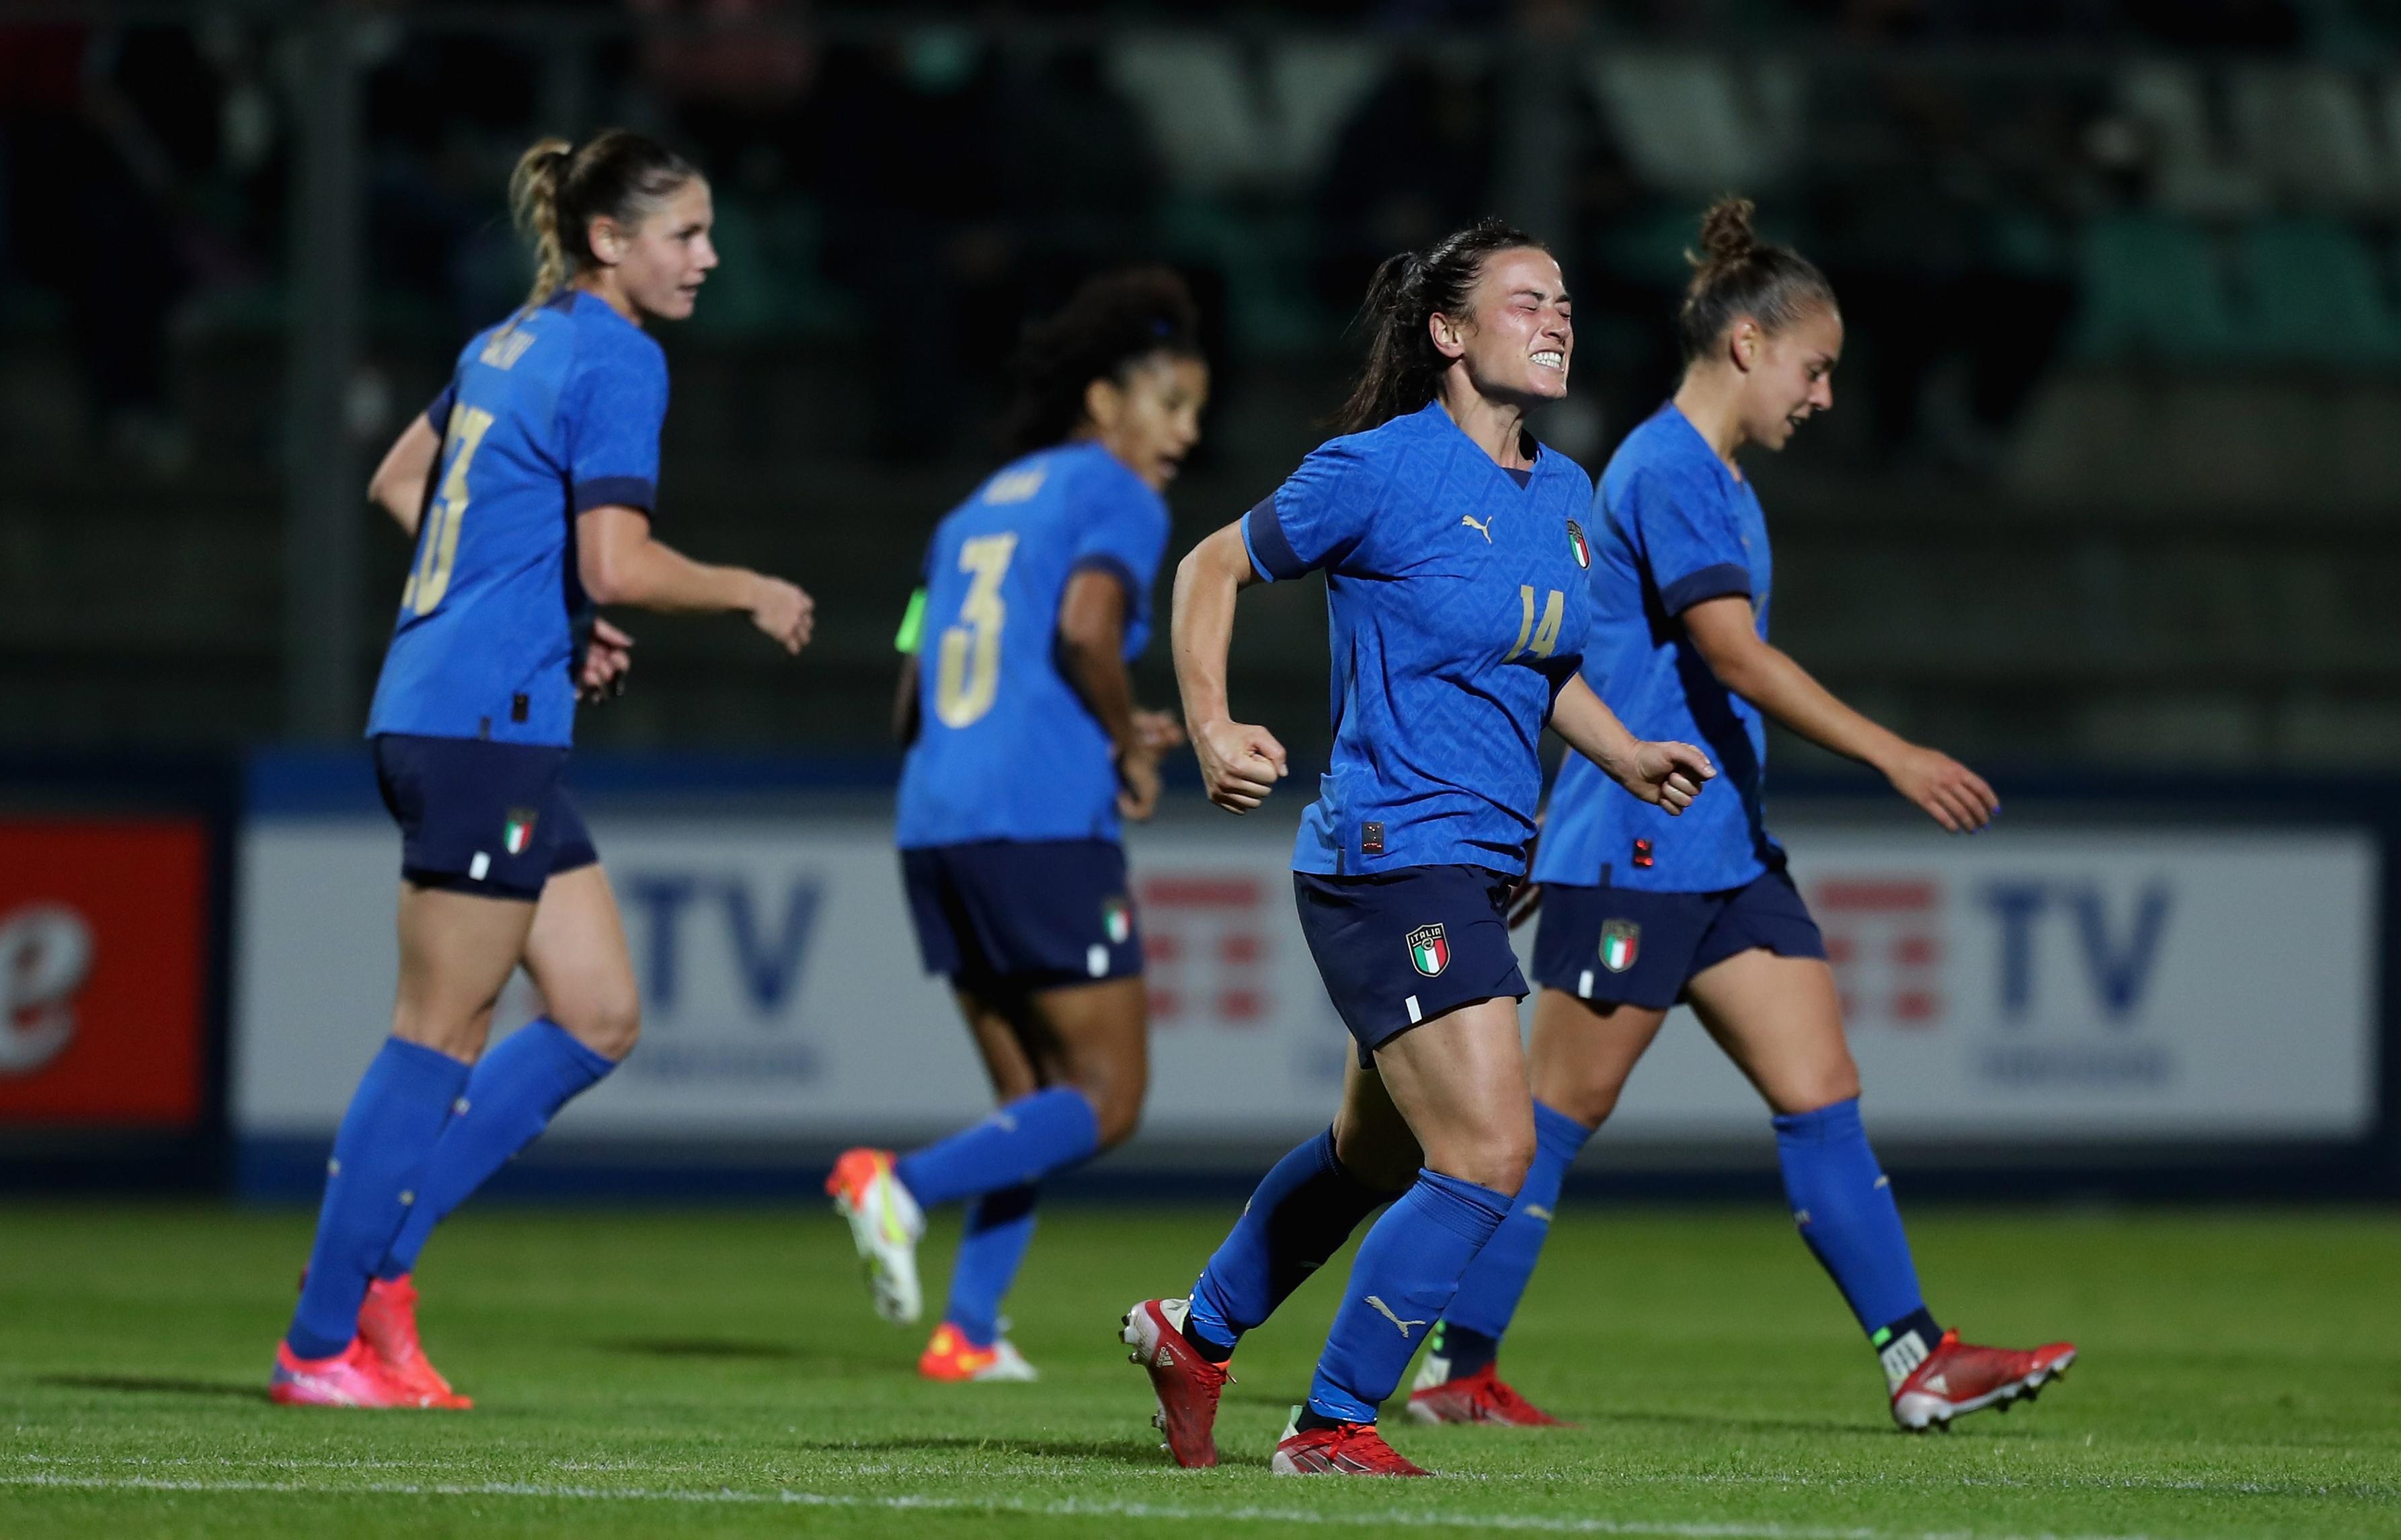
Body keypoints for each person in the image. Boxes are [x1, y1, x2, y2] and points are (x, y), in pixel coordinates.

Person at [1405, 198, 2074, 1434]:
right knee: (1549, 1119)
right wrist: (1894, 753)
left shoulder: (1709, 479)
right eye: (1815, 369)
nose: (1822, 398)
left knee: (1822, 1086)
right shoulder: (1663, 469)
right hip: (1639, 846)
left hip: (1721, 850)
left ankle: (1916, 1358)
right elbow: (1736, 657)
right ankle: (1453, 1369)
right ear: (1748, 346)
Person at [1120, 221, 1715, 1475]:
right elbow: (1206, 571)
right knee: (1491, 1151)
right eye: (1523, 302)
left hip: (1475, 871)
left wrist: (1623, 753)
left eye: (1563, 299)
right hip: (1389, 859)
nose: (1556, 318)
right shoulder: (1375, 471)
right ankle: (1334, 1423)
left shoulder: (1564, 494)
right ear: (1449, 333)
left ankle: (1196, 1329)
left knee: (1371, 1158)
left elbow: (1541, 666)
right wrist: (1215, 722)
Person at [268, 130, 816, 1408]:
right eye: (686, 234)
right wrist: (745, 589)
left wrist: (541, 606)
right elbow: (618, 561)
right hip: (477, 725)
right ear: (610, 241)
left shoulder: (505, 342)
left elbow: (403, 478)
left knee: (596, 1013)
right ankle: (318, 1343)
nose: (709, 257)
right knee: (434, 1033)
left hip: (466, 712)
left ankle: (382, 1282)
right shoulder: (619, 355)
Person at [828, 270, 1208, 1383]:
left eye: (1194, 409)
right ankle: (900, 1187)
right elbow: (1091, 629)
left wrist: (1059, 734)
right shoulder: (1120, 498)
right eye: (1170, 404)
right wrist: (1125, 744)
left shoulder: (970, 513)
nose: (1184, 432)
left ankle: (972, 1331)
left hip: (935, 817)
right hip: (1036, 820)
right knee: (1109, 1100)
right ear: (1104, 403)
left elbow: (911, 681)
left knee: (1030, 1104)